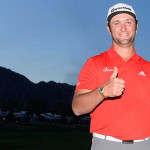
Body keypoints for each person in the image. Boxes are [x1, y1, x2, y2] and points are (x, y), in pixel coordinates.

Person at [72, 3, 150, 150]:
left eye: (128, 22)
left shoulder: (148, 68)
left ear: (137, 27)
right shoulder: (94, 63)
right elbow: (77, 108)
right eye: (116, 23)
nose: (123, 28)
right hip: (106, 144)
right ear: (109, 29)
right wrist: (103, 91)